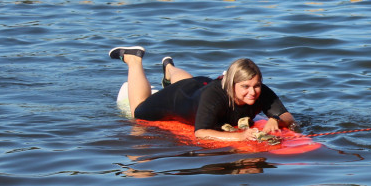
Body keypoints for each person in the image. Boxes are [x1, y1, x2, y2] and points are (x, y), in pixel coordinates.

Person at [110, 46, 296, 143]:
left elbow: (288, 117)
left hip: (198, 86)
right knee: (138, 111)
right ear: (231, 85)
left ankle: (169, 68)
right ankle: (133, 59)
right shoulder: (215, 98)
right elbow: (201, 133)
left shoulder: (260, 91)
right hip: (178, 97)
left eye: (256, 85)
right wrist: (240, 137)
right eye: (245, 86)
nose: (252, 92)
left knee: (189, 83)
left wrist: (276, 120)